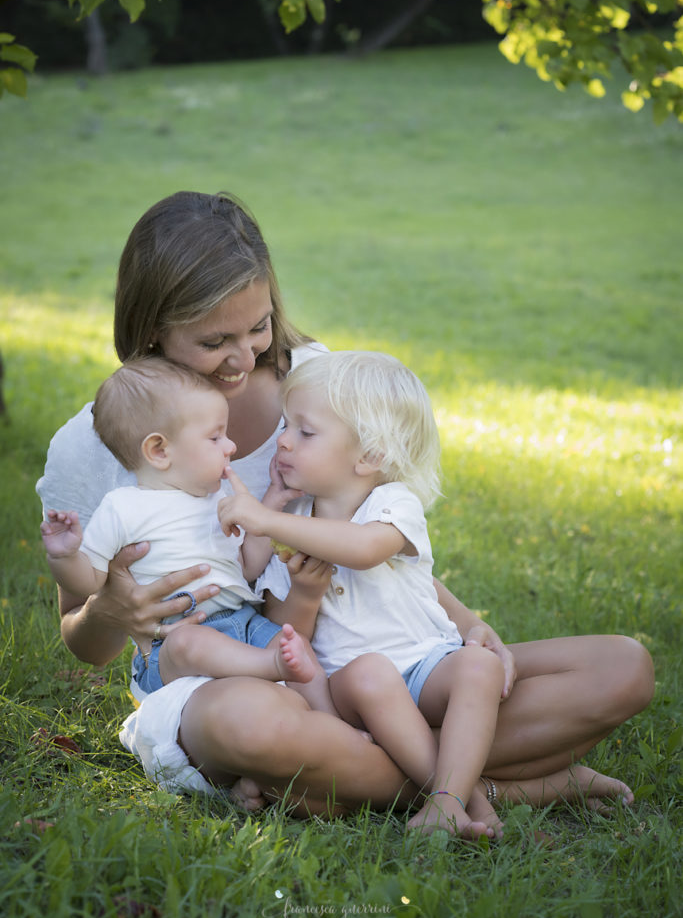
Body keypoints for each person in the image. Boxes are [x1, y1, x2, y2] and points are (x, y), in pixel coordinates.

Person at [36, 190, 654, 821]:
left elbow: (366, 536)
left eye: (257, 327)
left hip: (368, 665)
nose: (244, 358)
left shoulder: (317, 386)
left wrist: (465, 622)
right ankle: (494, 785)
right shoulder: (96, 443)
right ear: (151, 328)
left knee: (621, 670)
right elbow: (84, 640)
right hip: (229, 681)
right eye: (214, 339)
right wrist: (109, 608)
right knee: (254, 725)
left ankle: (351, 777)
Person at [219, 350, 507, 838]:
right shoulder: (291, 523)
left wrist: (267, 518)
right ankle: (467, 799)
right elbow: (286, 632)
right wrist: (301, 583)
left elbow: (366, 548)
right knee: (372, 672)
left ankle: (448, 803)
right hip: (347, 691)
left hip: (424, 667)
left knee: (480, 665)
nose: (283, 441)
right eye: (286, 425)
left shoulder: (392, 503)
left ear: (370, 457)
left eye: (304, 432)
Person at [39, 357, 328, 701]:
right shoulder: (122, 508)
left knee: (295, 644)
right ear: (160, 451)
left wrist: (272, 501)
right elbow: (88, 582)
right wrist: (65, 555)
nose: (230, 447)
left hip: (242, 622)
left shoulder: (217, 497)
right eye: (215, 437)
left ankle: (334, 721)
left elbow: (247, 564)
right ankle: (270, 667)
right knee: (191, 643)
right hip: (173, 644)